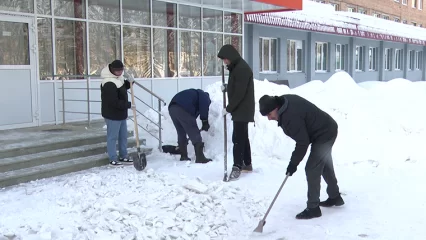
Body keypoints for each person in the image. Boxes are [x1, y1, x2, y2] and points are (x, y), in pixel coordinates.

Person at [258, 94, 345, 220]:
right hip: (323, 129)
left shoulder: (289, 116)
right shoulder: (284, 103)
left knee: (312, 168)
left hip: (325, 133)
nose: (269, 118)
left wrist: (293, 164)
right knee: (323, 164)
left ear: (276, 107)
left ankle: (313, 208)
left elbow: (302, 142)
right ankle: (335, 197)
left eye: (269, 114)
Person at [217, 44, 255, 181]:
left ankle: (237, 166)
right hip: (241, 109)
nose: (225, 62)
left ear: (231, 56)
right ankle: (247, 163)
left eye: (225, 59)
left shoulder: (242, 69)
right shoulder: (237, 68)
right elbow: (237, 85)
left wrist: (229, 108)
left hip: (242, 109)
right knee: (243, 137)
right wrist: (227, 87)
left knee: (238, 139)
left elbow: (240, 93)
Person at [100, 59, 134, 166]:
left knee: (123, 136)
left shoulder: (118, 78)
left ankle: (123, 156)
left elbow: (122, 88)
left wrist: (130, 83)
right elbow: (112, 101)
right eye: (117, 70)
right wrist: (128, 105)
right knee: (112, 137)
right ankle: (113, 158)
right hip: (112, 114)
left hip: (121, 114)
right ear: (112, 70)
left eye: (121, 70)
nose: (120, 72)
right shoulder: (109, 82)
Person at [168, 88, 213, 164]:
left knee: (181, 132)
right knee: (194, 131)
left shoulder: (193, 95)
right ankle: (200, 157)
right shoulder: (204, 96)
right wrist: (205, 121)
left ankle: (183, 156)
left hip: (172, 108)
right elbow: (204, 108)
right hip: (183, 107)